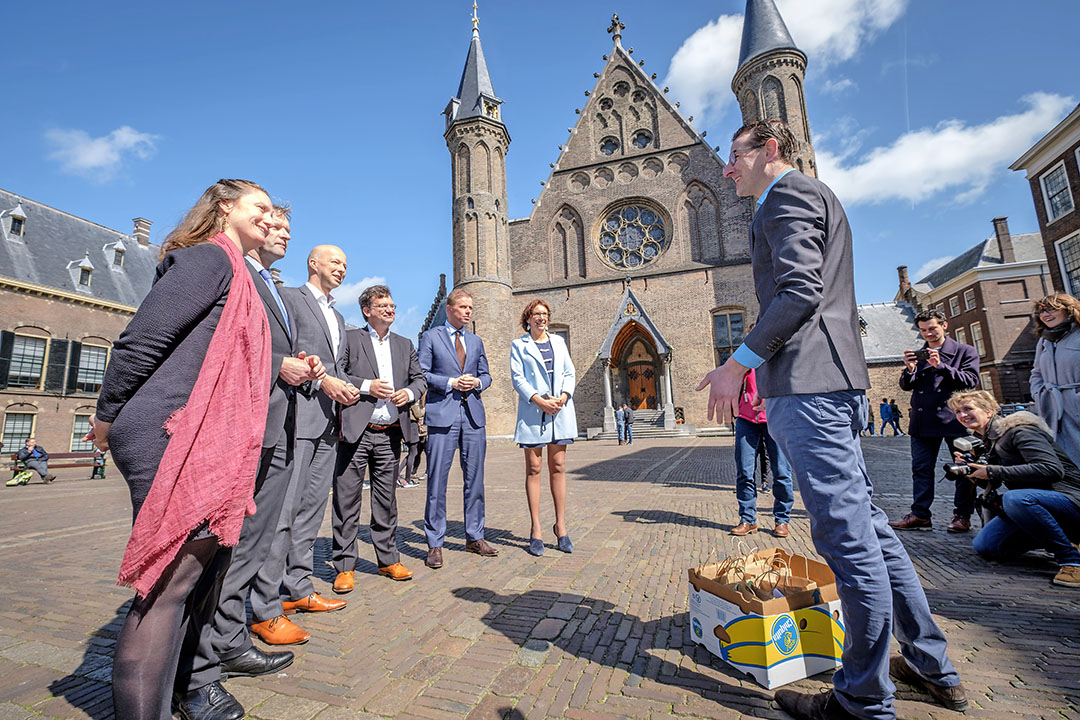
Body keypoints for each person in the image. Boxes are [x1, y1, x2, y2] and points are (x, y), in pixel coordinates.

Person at [697, 120, 965, 720]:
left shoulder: (786, 195)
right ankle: (929, 664)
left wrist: (735, 365)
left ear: (770, 150)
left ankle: (863, 701)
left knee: (848, 542)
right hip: (830, 381)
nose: (726, 168)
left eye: (734, 155)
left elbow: (798, 292)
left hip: (808, 384)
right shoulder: (815, 196)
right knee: (871, 530)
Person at [86, 179, 295, 720]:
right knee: (166, 586)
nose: (272, 219)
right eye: (262, 208)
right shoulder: (207, 260)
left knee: (184, 582)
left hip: (199, 435)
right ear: (225, 208)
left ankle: (172, 698)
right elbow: (141, 340)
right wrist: (106, 416)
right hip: (173, 433)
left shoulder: (237, 271)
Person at [203, 207, 326, 684]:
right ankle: (217, 642)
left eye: (290, 229)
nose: (284, 235)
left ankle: (231, 637)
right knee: (235, 539)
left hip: (279, 420)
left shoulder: (269, 281)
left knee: (253, 537)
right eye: (276, 225)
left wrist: (298, 362)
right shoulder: (230, 269)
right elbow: (221, 336)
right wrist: (279, 363)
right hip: (251, 423)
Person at [253, 245, 355, 639]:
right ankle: (266, 606)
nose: (342, 269)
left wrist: (349, 385)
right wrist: (321, 379)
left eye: (346, 265)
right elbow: (282, 352)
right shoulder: (290, 299)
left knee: (312, 511)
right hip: (296, 420)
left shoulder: (339, 315)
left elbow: (337, 367)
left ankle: (298, 588)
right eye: (335, 262)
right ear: (313, 264)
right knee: (283, 514)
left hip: (329, 422)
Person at [333, 285, 426, 587]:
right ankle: (345, 565)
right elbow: (338, 372)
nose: (390, 310)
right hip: (356, 433)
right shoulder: (350, 339)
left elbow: (420, 379)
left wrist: (410, 393)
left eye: (393, 305)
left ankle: (388, 560)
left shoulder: (404, 343)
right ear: (367, 311)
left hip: (390, 435)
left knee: (386, 501)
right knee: (347, 501)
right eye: (383, 305)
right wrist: (366, 387)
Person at [948, 390, 1080, 588]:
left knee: (1014, 499)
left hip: (1069, 498)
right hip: (1037, 504)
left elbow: (1051, 469)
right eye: (958, 412)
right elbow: (993, 481)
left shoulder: (1020, 431)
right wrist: (973, 470)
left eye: (968, 409)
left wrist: (992, 470)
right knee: (986, 546)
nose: (962, 415)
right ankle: (1066, 538)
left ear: (989, 411)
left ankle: (1071, 560)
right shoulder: (989, 442)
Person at [417, 288, 498, 569]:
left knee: (475, 480)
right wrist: (450, 383)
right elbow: (421, 374)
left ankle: (475, 536)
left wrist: (478, 383)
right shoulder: (431, 337)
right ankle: (435, 543)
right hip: (442, 416)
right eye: (463, 307)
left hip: (474, 417)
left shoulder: (476, 341)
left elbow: (486, 375)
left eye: (470, 308)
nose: (468, 311)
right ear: (450, 308)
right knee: (437, 481)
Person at [889, 309, 980, 533]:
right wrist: (910, 370)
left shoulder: (964, 351)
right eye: (923, 330)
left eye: (932, 328)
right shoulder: (920, 354)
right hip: (923, 421)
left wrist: (942, 366)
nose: (928, 333)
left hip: (955, 420)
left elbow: (970, 381)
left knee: (963, 468)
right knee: (920, 468)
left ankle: (962, 515)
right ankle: (920, 515)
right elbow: (906, 385)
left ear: (944, 326)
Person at [510, 299, 577, 556]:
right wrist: (538, 399)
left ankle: (561, 526)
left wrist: (563, 395)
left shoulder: (559, 342)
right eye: (537, 314)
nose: (542, 317)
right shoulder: (519, 345)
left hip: (559, 411)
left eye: (545, 314)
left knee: (558, 466)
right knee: (534, 468)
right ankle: (536, 528)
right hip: (533, 411)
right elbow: (518, 377)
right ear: (528, 319)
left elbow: (569, 373)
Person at [729, 368, 794, 538]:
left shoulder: (777, 351)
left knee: (781, 471)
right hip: (746, 417)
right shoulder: (746, 354)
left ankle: (782, 520)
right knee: (744, 470)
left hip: (775, 415)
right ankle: (748, 519)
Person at [1031, 293, 1080, 464]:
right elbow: (1036, 373)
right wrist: (1039, 394)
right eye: (1041, 312)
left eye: (1051, 310)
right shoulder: (1044, 341)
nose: (1045, 315)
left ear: (1069, 310)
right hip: (1053, 410)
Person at [399, 394, 427, 487]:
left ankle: (399, 474)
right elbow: (418, 414)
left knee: (412, 453)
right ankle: (407, 479)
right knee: (413, 453)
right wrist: (425, 410)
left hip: (408, 426)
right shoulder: (413, 401)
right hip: (412, 427)